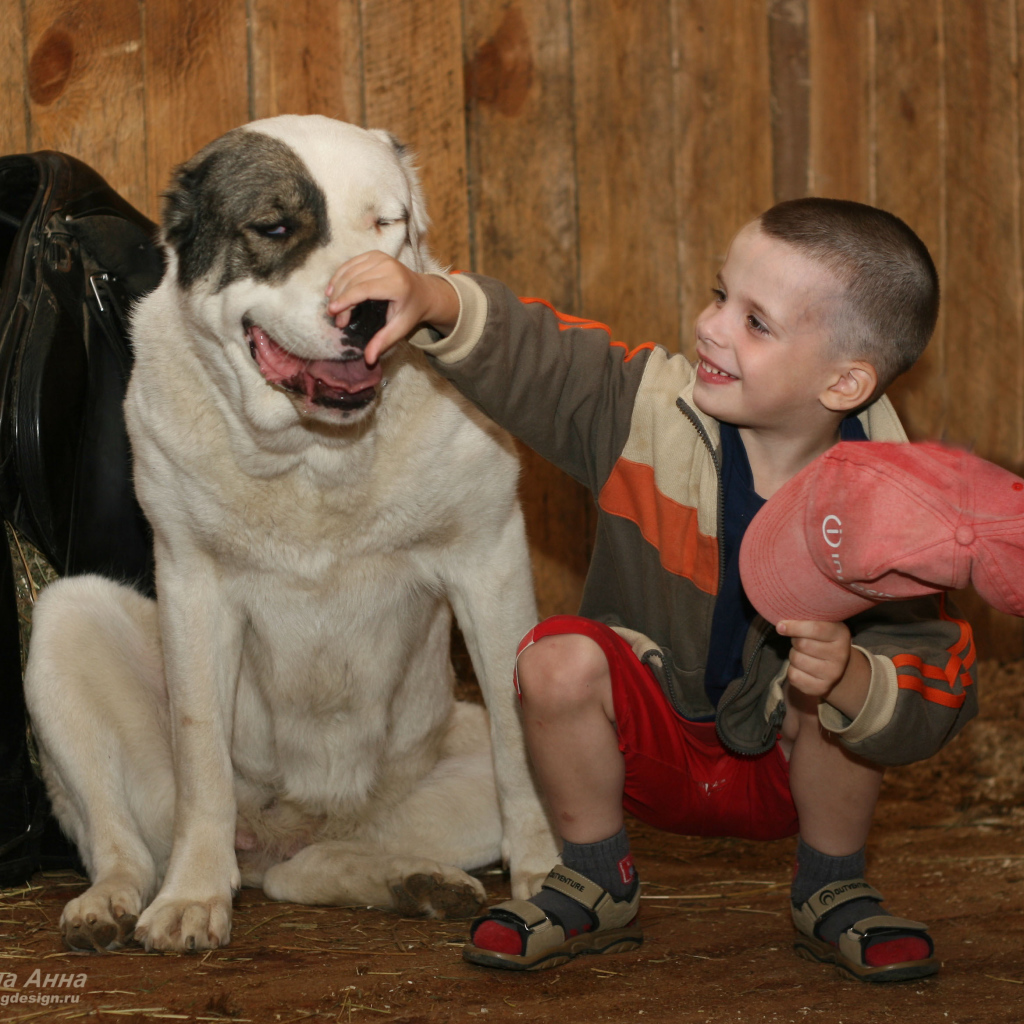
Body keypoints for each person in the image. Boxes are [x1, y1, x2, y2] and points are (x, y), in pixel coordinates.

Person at [325, 198, 977, 983]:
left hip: (788, 764)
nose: (711, 327)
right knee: (553, 660)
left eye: (756, 323)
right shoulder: (646, 413)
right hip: (652, 748)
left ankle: (832, 887)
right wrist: (433, 298)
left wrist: (854, 678)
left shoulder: (894, 515)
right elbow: (545, 358)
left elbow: (941, 681)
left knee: (839, 692)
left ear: (844, 381)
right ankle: (596, 880)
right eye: (717, 295)